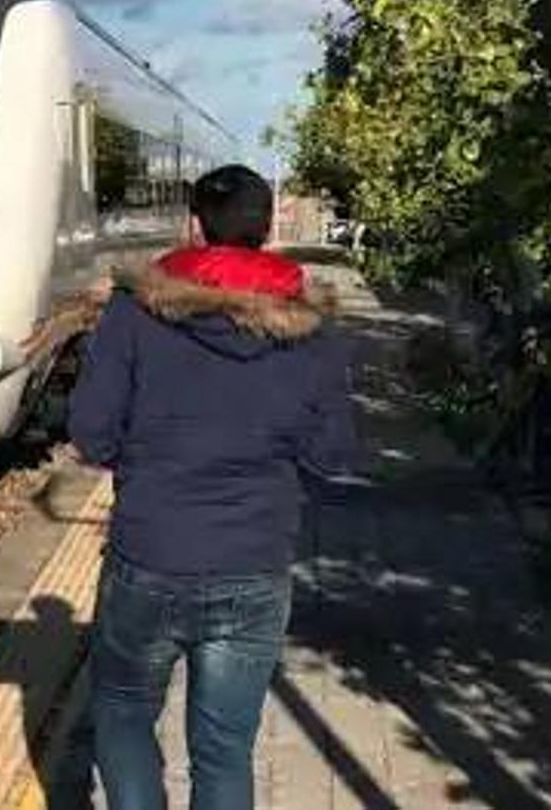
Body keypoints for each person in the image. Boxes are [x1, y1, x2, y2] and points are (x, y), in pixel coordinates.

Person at [68, 164, 358, 810]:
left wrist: (145, 458)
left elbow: (90, 434)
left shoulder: (133, 312)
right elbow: (334, 453)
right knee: (225, 748)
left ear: (194, 227)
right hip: (254, 564)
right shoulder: (311, 332)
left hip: (149, 553)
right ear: (266, 231)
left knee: (121, 715)